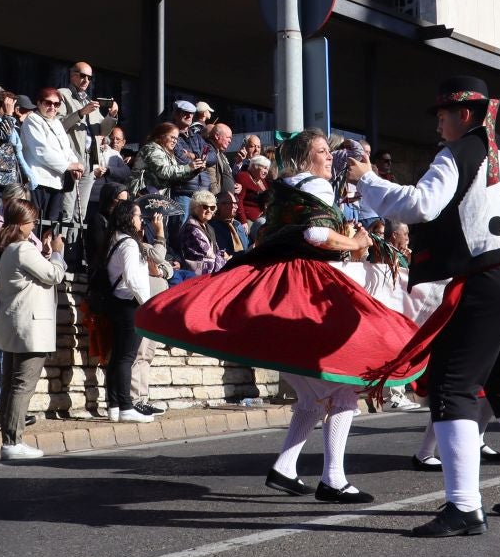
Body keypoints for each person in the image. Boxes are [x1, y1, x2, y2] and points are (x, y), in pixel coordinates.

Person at [342, 78, 500, 534]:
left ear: (465, 115)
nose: (437, 124)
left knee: (452, 385)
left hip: (494, 275)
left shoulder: (456, 154)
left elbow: (421, 206)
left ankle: (464, 508)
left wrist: (366, 180)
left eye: (442, 114)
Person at [143, 129, 424, 503]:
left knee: (310, 398)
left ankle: (286, 467)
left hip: (278, 288)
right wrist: (356, 243)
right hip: (309, 291)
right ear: (305, 158)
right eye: (323, 151)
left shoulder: (282, 188)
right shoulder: (316, 188)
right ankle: (334, 479)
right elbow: (315, 235)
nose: (330, 157)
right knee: (343, 388)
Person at [0, 197, 67, 459]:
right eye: (32, 221)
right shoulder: (23, 249)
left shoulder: (8, 248)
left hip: (14, 325)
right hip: (29, 328)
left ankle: (9, 440)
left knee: (12, 385)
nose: (34, 225)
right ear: (22, 223)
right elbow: (54, 275)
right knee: (22, 385)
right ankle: (13, 442)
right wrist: (57, 252)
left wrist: (46, 256)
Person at [100, 200, 154, 424]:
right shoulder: (130, 244)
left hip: (116, 303)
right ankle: (126, 407)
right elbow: (132, 277)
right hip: (130, 304)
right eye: (138, 215)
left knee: (117, 357)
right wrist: (147, 304)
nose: (141, 219)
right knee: (126, 358)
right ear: (127, 218)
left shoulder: (115, 239)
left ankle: (114, 406)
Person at [58, 61, 115, 226]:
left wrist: (112, 116)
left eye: (89, 78)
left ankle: (73, 250)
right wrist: (81, 112)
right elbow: (59, 125)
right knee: (67, 211)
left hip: (90, 161)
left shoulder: (89, 100)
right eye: (82, 76)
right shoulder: (63, 94)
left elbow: (103, 131)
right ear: (72, 74)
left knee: (80, 214)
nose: (86, 81)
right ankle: (60, 250)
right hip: (72, 159)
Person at [18, 86, 82, 225]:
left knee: (50, 227)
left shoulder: (57, 123)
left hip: (57, 183)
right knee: (33, 225)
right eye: (48, 103)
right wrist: (68, 166)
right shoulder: (32, 120)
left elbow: (66, 149)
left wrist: (75, 165)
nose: (52, 107)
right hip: (38, 182)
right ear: (39, 103)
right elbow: (41, 150)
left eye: (56, 104)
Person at [176, 191, 225, 278]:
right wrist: (225, 259)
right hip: (196, 275)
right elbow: (209, 254)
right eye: (205, 206)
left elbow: (216, 250)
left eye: (212, 207)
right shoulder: (192, 228)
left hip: (208, 271)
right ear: (195, 207)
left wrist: (224, 255)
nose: (209, 210)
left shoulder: (208, 227)